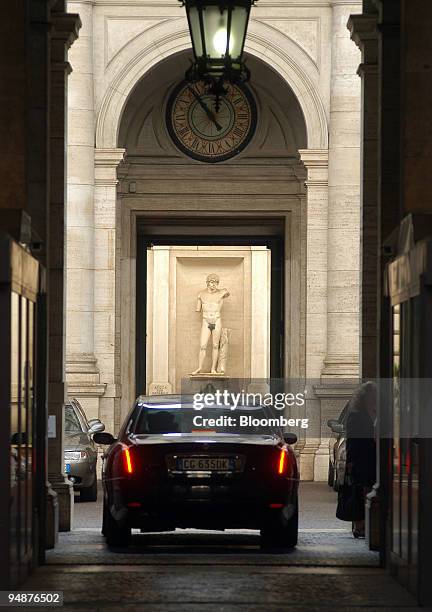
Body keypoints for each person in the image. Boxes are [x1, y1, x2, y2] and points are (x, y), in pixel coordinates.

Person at [345, 381, 377, 538]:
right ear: (363, 398)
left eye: (375, 396)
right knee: (359, 492)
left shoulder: (377, 413)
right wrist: (350, 461)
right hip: (361, 458)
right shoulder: (356, 415)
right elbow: (351, 439)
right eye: (370, 396)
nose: (373, 399)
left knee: (369, 490)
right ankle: (360, 526)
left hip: (374, 457)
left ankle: (368, 525)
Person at [192, 273, 230, 375]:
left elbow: (226, 292)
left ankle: (213, 369)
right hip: (206, 320)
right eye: (212, 282)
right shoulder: (201, 294)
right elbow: (198, 309)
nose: (214, 284)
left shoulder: (222, 292)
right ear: (207, 283)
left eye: (216, 282)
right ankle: (199, 367)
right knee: (202, 345)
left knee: (215, 345)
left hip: (217, 320)